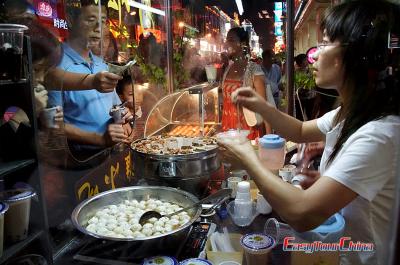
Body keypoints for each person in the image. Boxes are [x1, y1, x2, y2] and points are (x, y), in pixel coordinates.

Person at [219, 1, 400, 264]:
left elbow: (302, 212)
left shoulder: (378, 134)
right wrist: (262, 107)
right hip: (335, 250)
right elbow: (301, 129)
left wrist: (248, 155)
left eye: (324, 44)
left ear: (356, 55)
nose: (313, 55)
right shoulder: (350, 113)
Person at [48, 0, 131, 159]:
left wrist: (123, 116)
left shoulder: (100, 64)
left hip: (111, 154)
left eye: (102, 21)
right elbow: (53, 125)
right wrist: (99, 140)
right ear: (71, 20)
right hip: (83, 160)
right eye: (91, 20)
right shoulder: (57, 64)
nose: (99, 29)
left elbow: (115, 106)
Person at [221, 27, 272, 139]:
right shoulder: (228, 68)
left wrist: (269, 139)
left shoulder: (254, 69)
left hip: (248, 131)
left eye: (231, 40)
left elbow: (264, 107)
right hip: (228, 128)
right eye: (227, 40)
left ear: (242, 43)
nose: (227, 43)